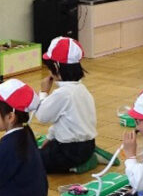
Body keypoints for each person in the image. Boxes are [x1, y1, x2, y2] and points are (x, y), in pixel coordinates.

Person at [33, 37, 97, 173]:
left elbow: (42, 116)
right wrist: (49, 138)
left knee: (27, 162)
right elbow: (63, 121)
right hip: (88, 146)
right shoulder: (82, 89)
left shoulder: (63, 94)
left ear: (56, 67)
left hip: (68, 152)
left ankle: (74, 166)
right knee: (40, 153)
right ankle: (88, 158)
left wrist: (44, 92)